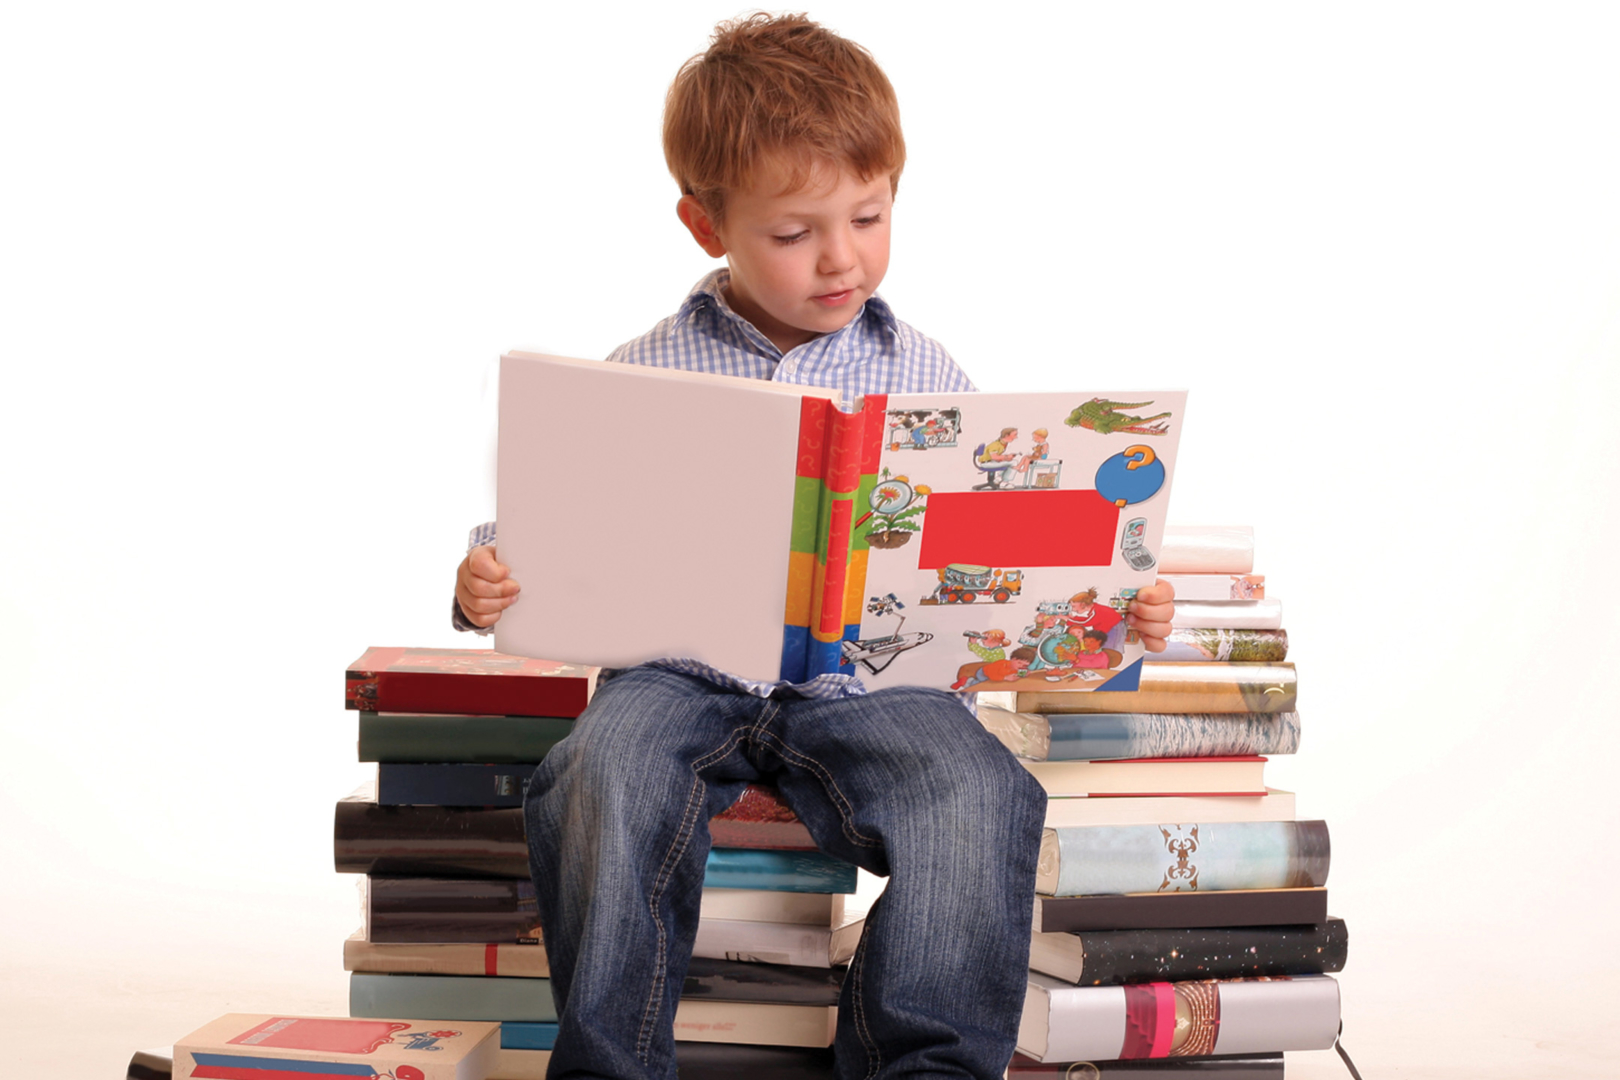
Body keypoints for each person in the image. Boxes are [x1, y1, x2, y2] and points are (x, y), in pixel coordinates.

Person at [450, 15, 1177, 1080]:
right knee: (600, 769)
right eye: (795, 234)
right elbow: (545, 521)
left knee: (977, 792)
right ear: (709, 226)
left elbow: (1007, 556)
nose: (843, 257)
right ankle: (612, 1063)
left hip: (876, 687)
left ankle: (922, 1066)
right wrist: (485, 579)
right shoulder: (646, 369)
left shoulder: (927, 370)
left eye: (870, 216)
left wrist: (1118, 606)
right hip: (679, 674)